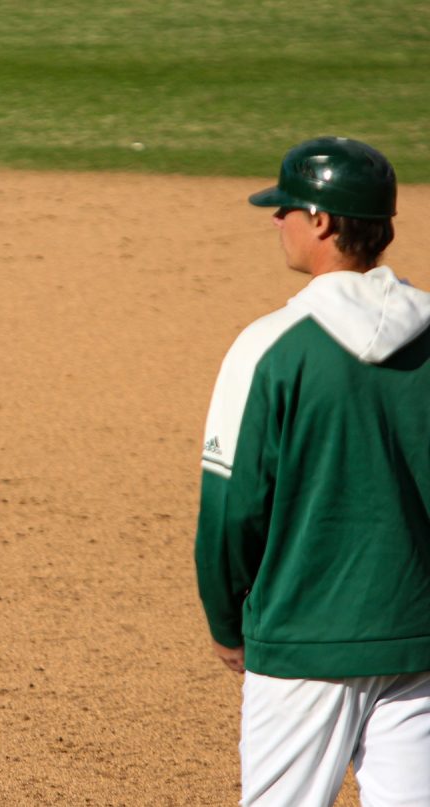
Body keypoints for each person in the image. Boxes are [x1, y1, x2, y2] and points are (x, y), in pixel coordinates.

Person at [194, 136, 430, 806]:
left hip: (301, 644)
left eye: (286, 209)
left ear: (322, 221)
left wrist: (226, 622)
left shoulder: (268, 348)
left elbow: (230, 510)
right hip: (417, 640)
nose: (277, 221)